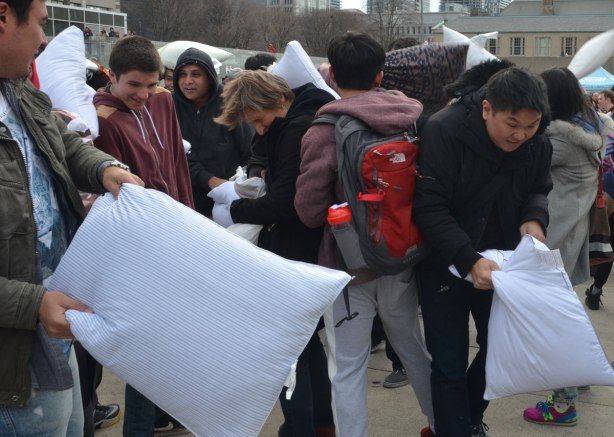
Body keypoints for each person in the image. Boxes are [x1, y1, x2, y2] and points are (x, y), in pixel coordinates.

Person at [0, 1, 142, 435]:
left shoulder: (19, 91)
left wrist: (106, 170)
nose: (45, 40)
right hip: (14, 359)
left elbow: (64, 142)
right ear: (4, 16)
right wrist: (33, 303)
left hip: (54, 328)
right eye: (42, 24)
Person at [294, 31, 435, 437]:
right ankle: (441, 424)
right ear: (380, 75)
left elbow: (307, 210)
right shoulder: (411, 118)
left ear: (333, 75)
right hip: (402, 253)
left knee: (349, 366)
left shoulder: (324, 128)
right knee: (413, 350)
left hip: (348, 263)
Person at [413, 61, 553, 437]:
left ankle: (468, 416)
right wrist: (468, 258)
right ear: (486, 108)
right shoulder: (444, 129)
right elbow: (429, 207)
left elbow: (539, 187)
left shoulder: (539, 139)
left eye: (530, 125)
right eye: (512, 124)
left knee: (502, 349)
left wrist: (535, 218)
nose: (521, 135)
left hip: (506, 266)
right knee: (448, 362)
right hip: (446, 262)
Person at [213, 69, 336, 437]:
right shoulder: (295, 122)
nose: (259, 129)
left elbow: (285, 203)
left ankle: (299, 427)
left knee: (288, 349)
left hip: (295, 247)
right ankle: (320, 424)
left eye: (260, 121)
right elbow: (267, 165)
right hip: (305, 246)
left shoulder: (295, 131)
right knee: (306, 342)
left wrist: (233, 210)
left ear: (280, 100)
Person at [92, 35, 194, 435]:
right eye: (133, 85)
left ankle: (170, 411)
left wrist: (190, 220)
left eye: (151, 84)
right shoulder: (105, 120)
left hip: (179, 232)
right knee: (145, 346)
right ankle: (139, 428)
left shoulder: (164, 102)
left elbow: (176, 165)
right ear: (112, 77)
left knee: (174, 335)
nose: (143, 94)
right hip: (140, 247)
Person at [521, 66, 614, 426]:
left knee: (552, 319)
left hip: (551, 240)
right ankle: (583, 370)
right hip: (570, 235)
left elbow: (522, 166)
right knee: (567, 311)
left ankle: (563, 402)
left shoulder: (557, 139)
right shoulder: (593, 126)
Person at [172, 47, 253, 217]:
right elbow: (177, 155)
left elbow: (250, 149)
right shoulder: (170, 107)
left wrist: (242, 184)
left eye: (196, 74)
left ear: (209, 77)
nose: (188, 81)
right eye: (182, 74)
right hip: (186, 204)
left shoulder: (230, 104)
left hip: (228, 201)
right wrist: (210, 180)